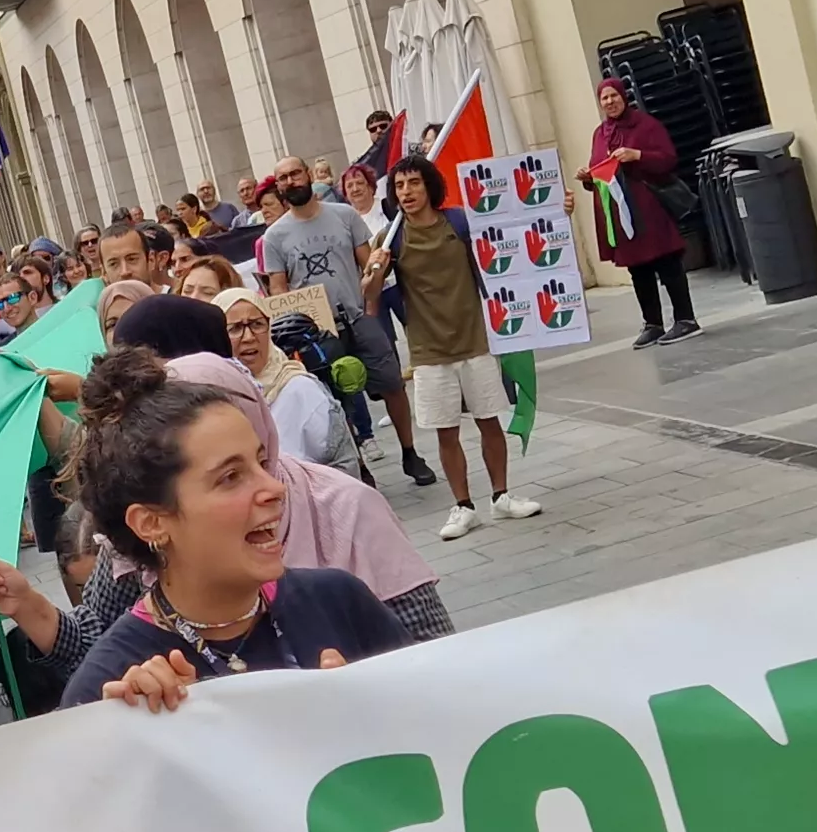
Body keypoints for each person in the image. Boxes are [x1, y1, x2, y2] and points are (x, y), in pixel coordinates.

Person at [61, 347, 431, 710]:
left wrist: (371, 711)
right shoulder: (113, 688)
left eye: (261, 461)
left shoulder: (340, 601)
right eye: (231, 477)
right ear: (152, 523)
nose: (274, 488)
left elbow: (443, 728)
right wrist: (138, 738)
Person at [388, 154, 544, 538]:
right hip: (429, 351)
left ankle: (501, 497)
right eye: (399, 186)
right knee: (446, 431)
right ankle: (463, 506)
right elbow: (372, 296)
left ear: (429, 185)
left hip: (476, 340)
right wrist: (375, 269)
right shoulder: (392, 238)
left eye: (413, 183)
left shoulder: (459, 221)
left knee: (490, 421)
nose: (406, 192)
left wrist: (559, 210)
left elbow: (511, 240)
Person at [254, 152, 414, 462]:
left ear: (308, 176)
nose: (290, 181)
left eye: (295, 174)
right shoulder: (274, 236)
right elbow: (279, 288)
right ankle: (357, 463)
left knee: (392, 384)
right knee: (336, 400)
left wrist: (372, 301)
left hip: (358, 317)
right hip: (317, 333)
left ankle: (409, 452)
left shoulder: (344, 215)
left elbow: (369, 267)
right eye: (283, 178)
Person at [588, 78, 701, 346]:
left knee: (667, 261)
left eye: (614, 96)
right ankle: (653, 323)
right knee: (638, 269)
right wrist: (587, 177)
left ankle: (686, 319)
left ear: (624, 96)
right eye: (604, 98)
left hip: (649, 205)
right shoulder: (600, 133)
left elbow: (668, 159)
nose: (610, 102)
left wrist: (637, 155)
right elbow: (599, 168)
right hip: (621, 212)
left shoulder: (646, 125)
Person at [216, 290, 349, 467]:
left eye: (257, 324)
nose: (248, 337)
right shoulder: (213, 396)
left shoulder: (300, 389)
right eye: (235, 328)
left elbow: (342, 462)